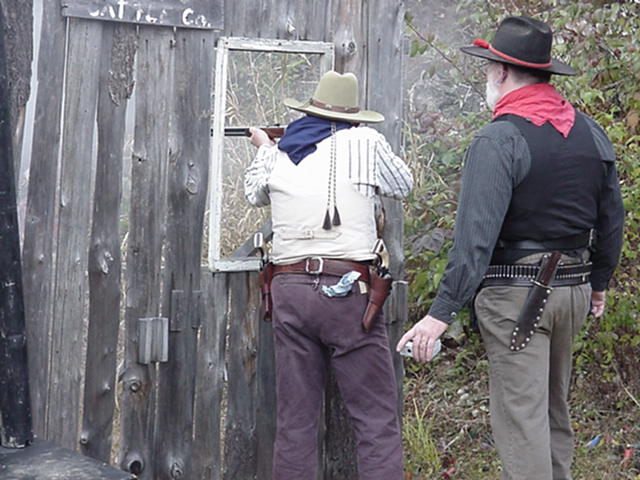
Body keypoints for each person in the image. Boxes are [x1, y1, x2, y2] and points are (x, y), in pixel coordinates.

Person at [397, 15, 624, 480]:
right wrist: (598, 283)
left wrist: (440, 313)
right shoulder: (590, 131)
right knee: (553, 414)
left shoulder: (498, 139)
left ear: (500, 72)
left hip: (518, 297)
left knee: (522, 424)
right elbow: (611, 219)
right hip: (573, 292)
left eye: (487, 71)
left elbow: (474, 239)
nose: (487, 79)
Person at [244, 70, 412, 480]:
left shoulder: (282, 151)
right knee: (375, 421)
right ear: (354, 115)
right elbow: (403, 184)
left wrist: (266, 147)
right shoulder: (367, 142)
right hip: (349, 293)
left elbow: (253, 192)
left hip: (288, 291)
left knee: (295, 422)